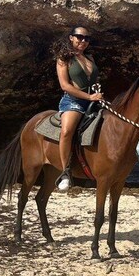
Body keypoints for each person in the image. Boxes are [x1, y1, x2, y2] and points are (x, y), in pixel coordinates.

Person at [52, 26, 103, 191]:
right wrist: (88, 97)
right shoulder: (63, 59)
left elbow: (94, 80)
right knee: (67, 131)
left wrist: (97, 91)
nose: (83, 41)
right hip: (73, 101)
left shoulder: (90, 59)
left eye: (87, 38)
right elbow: (65, 86)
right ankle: (65, 172)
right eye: (80, 37)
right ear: (71, 38)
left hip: (94, 101)